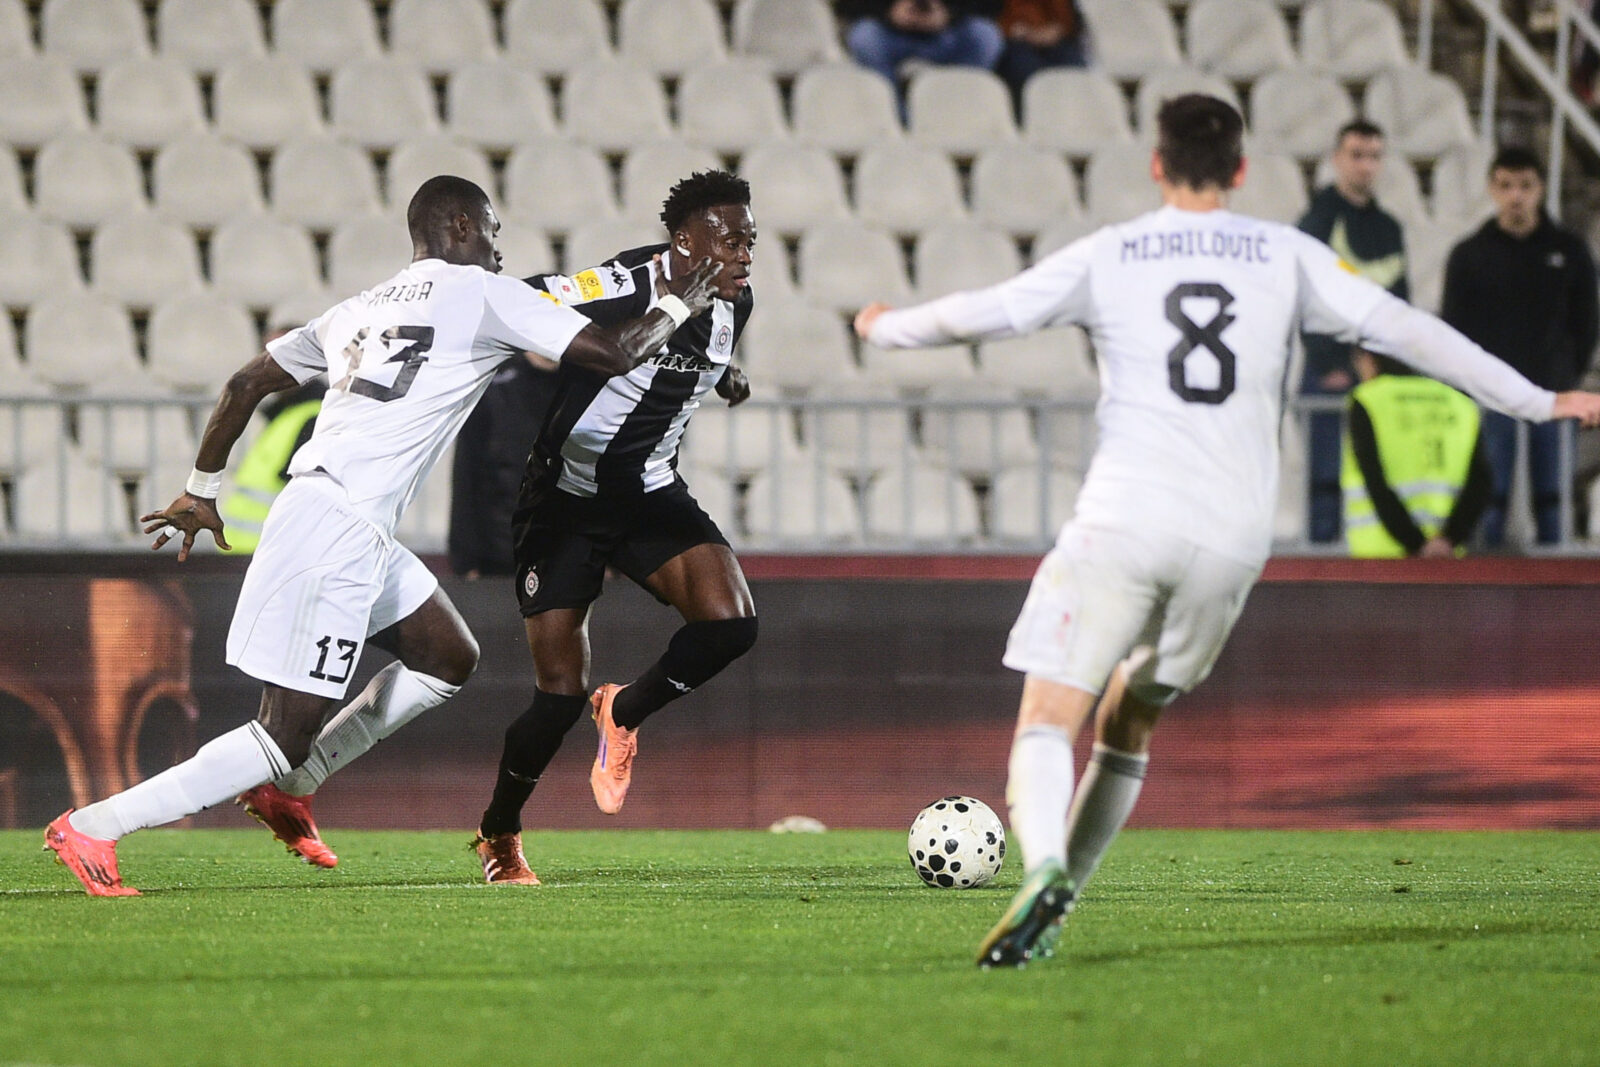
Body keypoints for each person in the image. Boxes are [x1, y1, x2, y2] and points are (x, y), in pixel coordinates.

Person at [853, 94, 1600, 967]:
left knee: (1051, 716)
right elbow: (1413, 332)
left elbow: (988, 311)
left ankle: (1044, 868)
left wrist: (885, 327)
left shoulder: (1114, 251)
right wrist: (1539, 400)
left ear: (1157, 165)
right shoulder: (1287, 255)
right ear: (1243, 169)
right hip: (1233, 539)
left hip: (1126, 517)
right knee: (1131, 722)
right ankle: (1061, 904)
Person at [42, 175, 721, 895]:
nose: (501, 249)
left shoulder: (357, 309)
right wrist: (683, 299)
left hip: (340, 518)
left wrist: (202, 488)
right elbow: (615, 354)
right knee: (279, 733)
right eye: (493, 232)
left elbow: (245, 383)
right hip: (334, 529)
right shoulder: (486, 293)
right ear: (460, 225)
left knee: (447, 657)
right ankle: (95, 824)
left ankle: (292, 786)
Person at [472, 171, 757, 886]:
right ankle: (499, 833)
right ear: (685, 241)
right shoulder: (626, 283)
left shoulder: (734, 303)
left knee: (731, 623)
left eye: (750, 238)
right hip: (564, 497)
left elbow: (696, 352)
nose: (745, 251)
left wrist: (724, 374)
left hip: (648, 491)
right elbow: (532, 298)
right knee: (558, 694)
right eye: (730, 238)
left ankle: (623, 710)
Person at [1440, 146, 1599, 546]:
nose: (1516, 196)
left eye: (1526, 185)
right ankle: (1480, 597)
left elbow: (1587, 324)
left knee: (1553, 500)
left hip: (1553, 394)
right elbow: (1454, 328)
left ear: (1541, 189)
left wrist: (1566, 376)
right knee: (1488, 499)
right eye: (1506, 185)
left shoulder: (1571, 251)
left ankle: (1556, 598)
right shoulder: (1469, 254)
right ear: (1491, 189)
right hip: (1492, 398)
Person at [1297, 121, 1409, 543]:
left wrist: (1384, 364)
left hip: (1380, 375)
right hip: (1330, 373)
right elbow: (1306, 301)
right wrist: (1335, 362)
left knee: (1382, 476)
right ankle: (1317, 591)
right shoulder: (1315, 222)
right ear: (1336, 159)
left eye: (1374, 156)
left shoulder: (1390, 228)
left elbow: (1400, 305)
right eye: (1357, 155)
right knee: (1326, 480)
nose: (1366, 166)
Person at [1342, 350, 1491, 558]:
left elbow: (1375, 480)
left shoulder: (1369, 400)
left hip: (1380, 554)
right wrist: (1448, 539)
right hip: (1446, 557)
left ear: (1369, 359)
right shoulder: (1459, 401)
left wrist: (1416, 542)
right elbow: (1481, 481)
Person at [448, 354, 559, 578]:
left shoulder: (586, 385)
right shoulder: (493, 386)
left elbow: (605, 475)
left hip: (572, 559)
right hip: (500, 559)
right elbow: (466, 476)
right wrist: (465, 559)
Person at [219, 374, 324, 554]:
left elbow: (302, 487)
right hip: (247, 547)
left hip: (274, 549)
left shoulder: (312, 417)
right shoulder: (286, 413)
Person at [836, 0, 1005, 108]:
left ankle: (956, 108)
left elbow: (991, 6)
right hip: (888, 34)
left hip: (948, 35)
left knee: (985, 35)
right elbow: (845, 6)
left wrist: (948, 12)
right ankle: (893, 113)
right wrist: (890, 11)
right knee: (864, 35)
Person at [996, 0, 1089, 106]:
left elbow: (1068, 21)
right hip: (1014, 40)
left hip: (1056, 39)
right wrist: (1014, 31)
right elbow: (992, 19)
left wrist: (1056, 31)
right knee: (1023, 68)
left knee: (1074, 66)